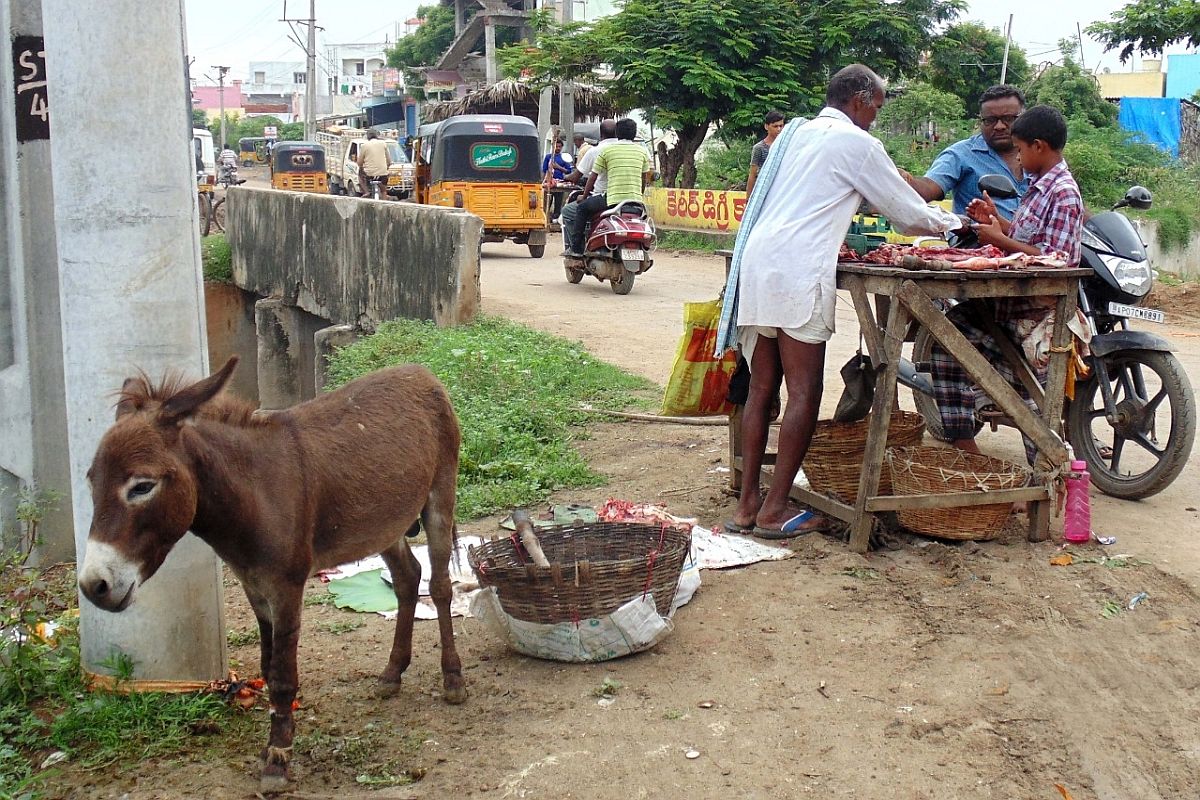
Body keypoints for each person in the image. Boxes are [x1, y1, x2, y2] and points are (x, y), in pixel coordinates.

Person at [715, 64, 969, 539]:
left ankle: (748, 505)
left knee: (761, 388)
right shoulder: (856, 143)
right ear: (858, 98)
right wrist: (957, 226)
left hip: (757, 262)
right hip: (797, 269)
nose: (875, 115)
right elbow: (907, 213)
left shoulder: (793, 136)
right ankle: (774, 510)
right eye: (876, 105)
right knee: (804, 391)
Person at [930, 104, 1084, 464]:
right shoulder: (1038, 186)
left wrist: (999, 241)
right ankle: (966, 449)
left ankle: (1046, 481)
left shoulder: (1063, 192)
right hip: (1006, 306)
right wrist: (996, 220)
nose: (1016, 157)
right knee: (946, 340)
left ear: (1039, 146)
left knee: (1033, 401)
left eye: (1019, 150)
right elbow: (1026, 235)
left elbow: (1054, 261)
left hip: (1036, 315)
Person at [902, 85, 1028, 217]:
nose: (999, 126)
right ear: (981, 121)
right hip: (976, 236)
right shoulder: (960, 155)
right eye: (990, 120)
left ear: (1024, 118)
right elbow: (929, 187)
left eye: (1008, 119)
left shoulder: (1040, 153)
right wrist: (904, 181)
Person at [570, 118, 652, 257]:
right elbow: (644, 178)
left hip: (611, 199)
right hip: (635, 201)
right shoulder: (643, 152)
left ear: (617, 132)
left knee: (582, 208)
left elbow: (593, 177)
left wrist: (583, 197)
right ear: (634, 133)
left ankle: (576, 249)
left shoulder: (607, 151)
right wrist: (638, 195)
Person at [560, 119, 617, 255]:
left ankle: (576, 249)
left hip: (603, 197)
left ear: (600, 133)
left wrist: (565, 177)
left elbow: (583, 177)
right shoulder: (626, 150)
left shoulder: (596, 151)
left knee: (569, 211)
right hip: (627, 198)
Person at [745, 110, 785, 197]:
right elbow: (753, 174)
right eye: (775, 126)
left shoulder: (786, 146)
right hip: (764, 192)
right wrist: (748, 198)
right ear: (767, 127)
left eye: (781, 126)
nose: (779, 129)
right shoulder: (759, 148)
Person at [542, 139, 573, 221]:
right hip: (549, 183)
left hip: (560, 183)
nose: (558, 148)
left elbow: (568, 171)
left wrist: (558, 167)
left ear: (562, 147)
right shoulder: (548, 157)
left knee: (558, 202)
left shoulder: (564, 157)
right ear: (553, 146)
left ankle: (556, 217)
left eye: (560, 146)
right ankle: (546, 218)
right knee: (547, 202)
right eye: (556, 146)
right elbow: (544, 170)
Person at [357, 129, 391, 198]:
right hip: (383, 174)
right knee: (383, 190)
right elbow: (389, 161)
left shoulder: (364, 146)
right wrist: (386, 167)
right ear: (376, 136)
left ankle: (366, 192)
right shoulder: (383, 144)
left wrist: (362, 166)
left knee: (359, 174)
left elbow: (359, 163)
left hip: (369, 175)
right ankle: (384, 198)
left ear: (367, 137)